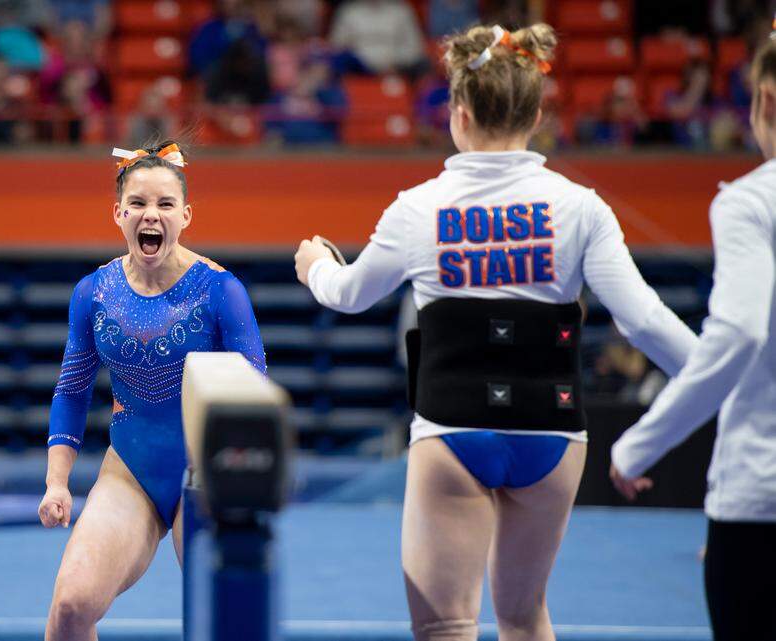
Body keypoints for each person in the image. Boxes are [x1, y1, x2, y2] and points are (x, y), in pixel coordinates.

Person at [292, 24, 698, 641]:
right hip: (553, 435)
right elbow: (642, 320)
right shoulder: (581, 207)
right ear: (536, 113)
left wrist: (315, 265)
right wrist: (721, 378)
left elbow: (350, 296)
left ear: (457, 113)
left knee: (446, 626)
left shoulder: (419, 206)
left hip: (454, 429)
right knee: (523, 617)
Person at [38, 141, 266, 640]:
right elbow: (72, 390)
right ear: (118, 213)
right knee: (71, 605)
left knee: (220, 621)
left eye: (165, 204)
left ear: (186, 215)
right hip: (131, 469)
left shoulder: (220, 290)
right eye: (139, 203)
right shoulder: (93, 292)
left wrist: (242, 482)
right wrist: (58, 481)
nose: (151, 215)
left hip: (205, 475)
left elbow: (255, 392)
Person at [610, 32, 776, 641]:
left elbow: (738, 334)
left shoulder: (752, 203)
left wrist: (641, 442)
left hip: (762, 494)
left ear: (764, 100)